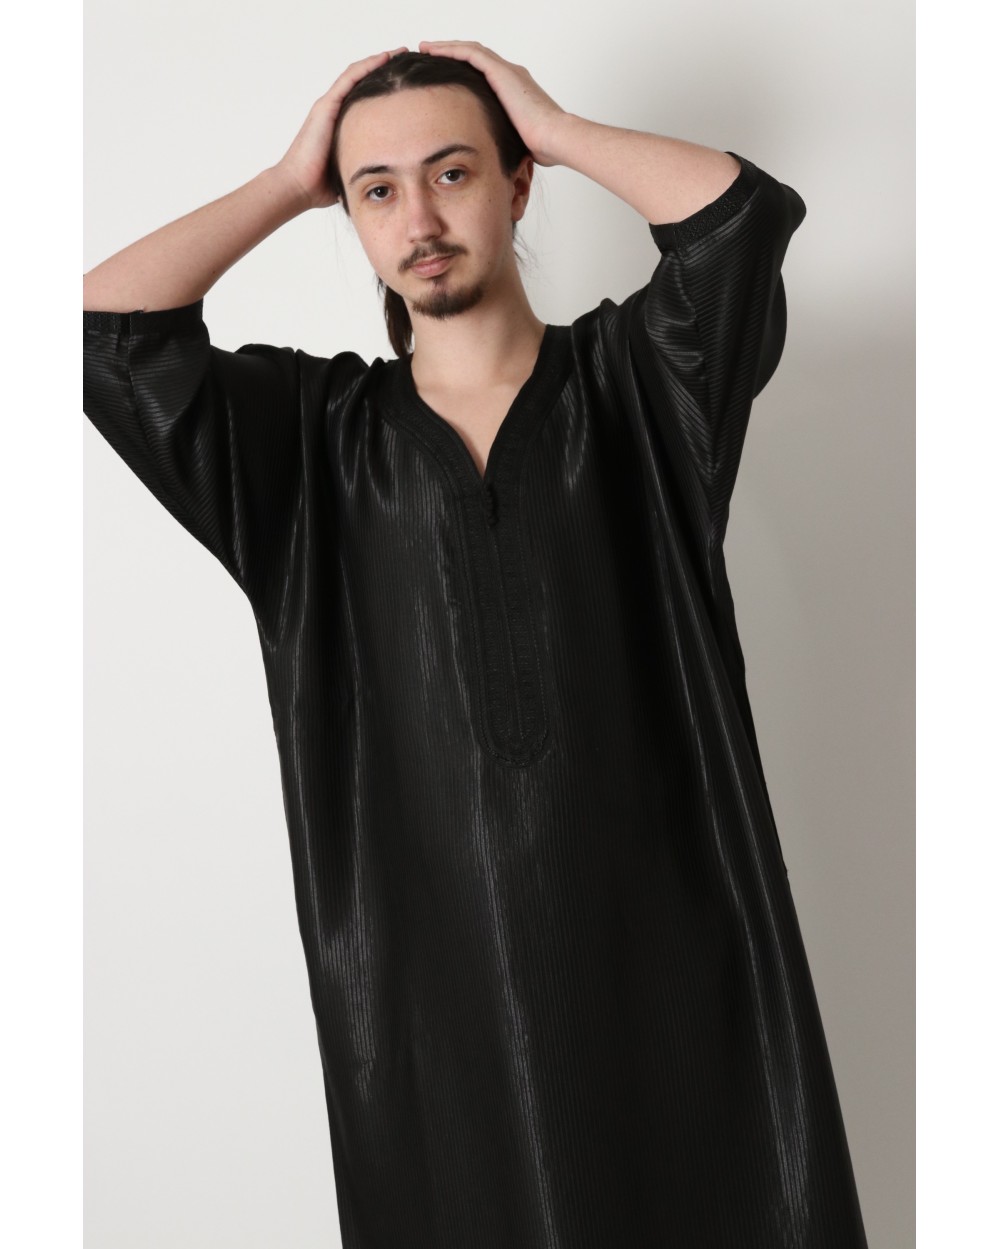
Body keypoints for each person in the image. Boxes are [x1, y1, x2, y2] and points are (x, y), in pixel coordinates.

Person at [83, 42, 868, 1248]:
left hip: (681, 976)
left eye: (452, 173)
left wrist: (548, 123)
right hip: (432, 1017)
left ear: (516, 185)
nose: (419, 219)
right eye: (377, 191)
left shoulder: (642, 389)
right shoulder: (307, 448)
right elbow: (105, 330)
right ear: (346, 216)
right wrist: (291, 178)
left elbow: (737, 220)